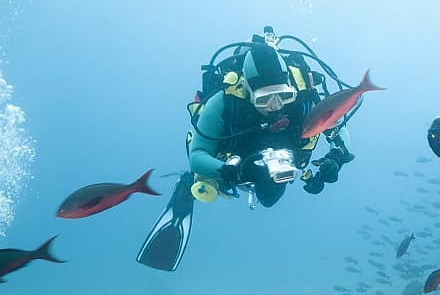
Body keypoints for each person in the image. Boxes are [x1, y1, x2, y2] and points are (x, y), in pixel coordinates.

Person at [137, 27, 357, 271]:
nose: (276, 106)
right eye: (264, 99)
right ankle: (185, 191)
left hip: (282, 163)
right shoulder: (225, 101)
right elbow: (197, 155)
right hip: (234, 163)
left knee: (270, 198)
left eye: (283, 96)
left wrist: (335, 158)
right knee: (211, 183)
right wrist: (234, 171)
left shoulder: (305, 96)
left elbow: (338, 129)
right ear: (248, 91)